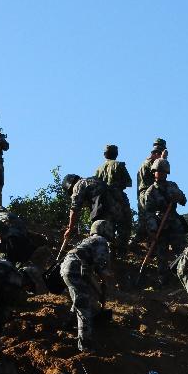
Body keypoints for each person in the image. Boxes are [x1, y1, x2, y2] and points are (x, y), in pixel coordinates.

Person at [59, 220, 115, 353]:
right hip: (75, 269)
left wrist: (100, 289)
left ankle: (67, 324)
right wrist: (105, 283)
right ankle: (85, 346)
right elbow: (102, 266)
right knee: (84, 307)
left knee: (81, 296)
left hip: (66, 268)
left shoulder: (87, 240)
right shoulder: (101, 241)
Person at [139, 159, 188, 286]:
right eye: (158, 171)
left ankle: (185, 275)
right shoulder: (150, 191)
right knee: (162, 255)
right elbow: (148, 213)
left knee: (183, 251)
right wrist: (152, 230)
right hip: (159, 225)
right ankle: (164, 281)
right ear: (154, 172)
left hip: (175, 224)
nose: (160, 174)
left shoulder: (173, 185)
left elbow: (184, 201)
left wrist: (179, 196)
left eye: (163, 172)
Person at [94, 145, 133, 254]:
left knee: (107, 225)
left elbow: (95, 184)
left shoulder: (98, 169)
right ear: (116, 154)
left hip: (103, 200)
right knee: (124, 224)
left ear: (105, 154)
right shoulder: (119, 165)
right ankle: (121, 251)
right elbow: (128, 182)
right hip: (118, 199)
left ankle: (107, 250)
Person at [134, 139, 167, 241]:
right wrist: (162, 159)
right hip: (147, 194)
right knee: (149, 216)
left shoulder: (146, 162)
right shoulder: (151, 163)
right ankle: (147, 241)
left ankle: (139, 241)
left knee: (143, 219)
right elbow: (159, 175)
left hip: (143, 194)